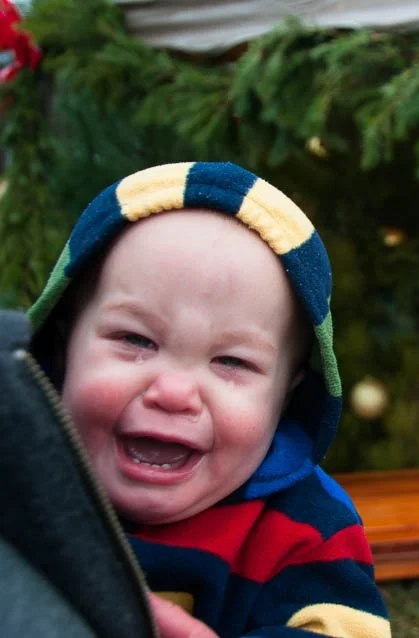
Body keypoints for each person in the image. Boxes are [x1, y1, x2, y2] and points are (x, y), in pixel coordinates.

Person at [26, 162, 391, 638]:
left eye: (232, 362)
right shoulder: (20, 480)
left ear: (285, 397)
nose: (175, 392)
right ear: (62, 346)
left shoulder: (306, 530)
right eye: (136, 339)